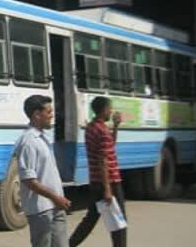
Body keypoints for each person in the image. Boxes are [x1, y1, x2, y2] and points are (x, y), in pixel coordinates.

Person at [14, 95, 71, 247]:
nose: (52, 115)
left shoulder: (42, 138)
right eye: (48, 112)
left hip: (55, 205)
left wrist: (57, 199)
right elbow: (29, 180)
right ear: (37, 114)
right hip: (41, 210)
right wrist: (55, 197)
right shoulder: (28, 142)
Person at [70, 96, 126, 247]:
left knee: (91, 218)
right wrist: (108, 189)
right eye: (110, 108)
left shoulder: (92, 127)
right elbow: (103, 160)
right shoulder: (102, 131)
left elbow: (109, 146)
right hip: (109, 182)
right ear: (104, 110)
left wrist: (116, 126)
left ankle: (69, 244)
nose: (111, 111)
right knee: (119, 221)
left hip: (95, 180)